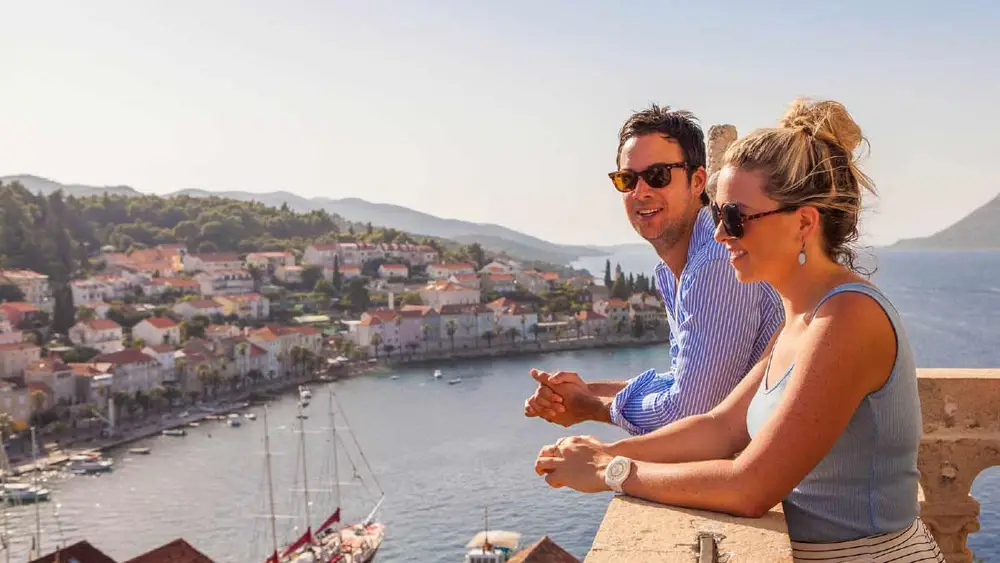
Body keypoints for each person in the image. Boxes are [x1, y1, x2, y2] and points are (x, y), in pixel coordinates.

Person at [533, 99, 943, 561]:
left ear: (803, 223)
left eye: (735, 218)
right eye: (718, 216)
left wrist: (611, 471)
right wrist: (607, 450)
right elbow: (720, 427)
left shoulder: (848, 317)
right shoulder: (801, 315)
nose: (720, 235)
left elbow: (751, 486)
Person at [524, 106, 782, 434]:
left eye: (658, 175)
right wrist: (583, 391)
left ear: (697, 181)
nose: (641, 192)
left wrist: (589, 407)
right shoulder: (675, 268)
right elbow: (682, 381)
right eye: (627, 179)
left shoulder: (715, 262)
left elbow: (690, 412)